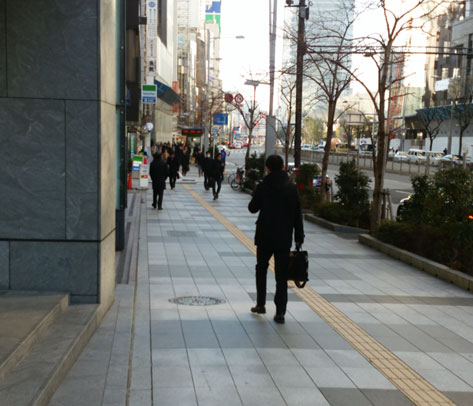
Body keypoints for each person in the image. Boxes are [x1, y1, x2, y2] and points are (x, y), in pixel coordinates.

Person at [248, 155, 304, 324]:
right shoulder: (292, 188)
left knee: (261, 269)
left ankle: (260, 304)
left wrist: (257, 193)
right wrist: (299, 238)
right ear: (283, 167)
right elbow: (297, 215)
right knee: (281, 275)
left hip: (265, 235)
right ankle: (280, 312)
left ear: (268, 168)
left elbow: (252, 208)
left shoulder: (263, 186)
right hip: (284, 237)